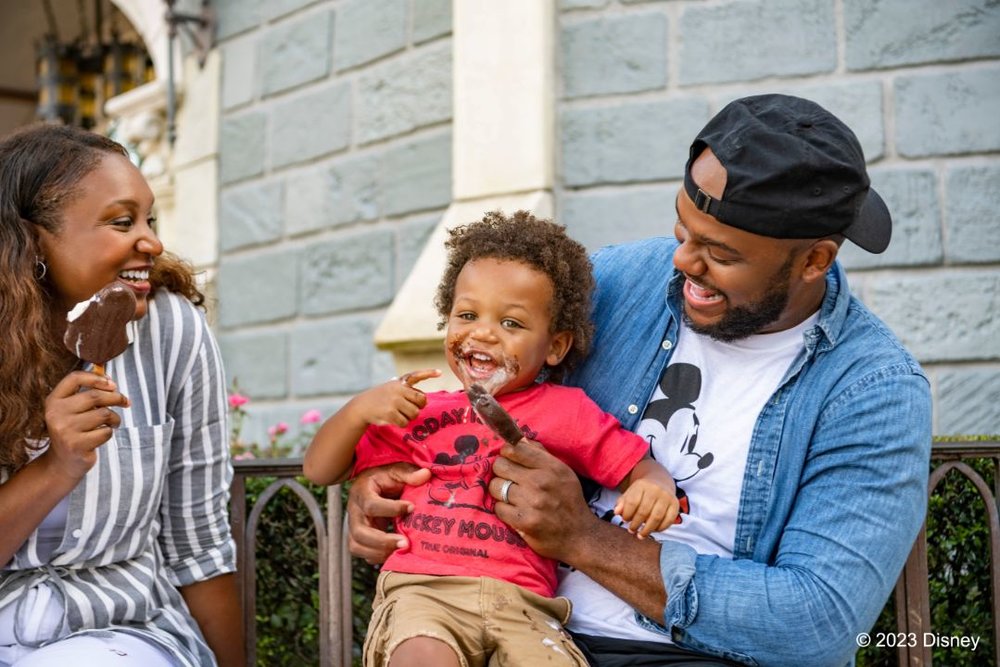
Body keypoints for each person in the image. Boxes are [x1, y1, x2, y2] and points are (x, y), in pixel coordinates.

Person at [346, 94, 933, 666]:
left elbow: (816, 624)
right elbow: (484, 398)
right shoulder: (618, 281)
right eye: (682, 231)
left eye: (720, 254)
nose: (682, 263)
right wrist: (385, 482)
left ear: (813, 261)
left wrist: (583, 538)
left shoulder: (874, 391)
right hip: (518, 620)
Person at [304, 211, 679, 667]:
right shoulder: (419, 410)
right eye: (467, 315)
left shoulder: (568, 411)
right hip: (424, 592)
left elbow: (634, 464)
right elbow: (320, 469)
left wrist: (653, 484)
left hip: (525, 606)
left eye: (511, 323)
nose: (483, 332)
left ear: (555, 346)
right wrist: (357, 410)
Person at [0, 124, 243, 667]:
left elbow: (199, 545)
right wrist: (56, 468)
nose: (151, 242)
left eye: (150, 219)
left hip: (120, 631)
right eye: (121, 221)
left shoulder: (169, 329)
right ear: (34, 241)